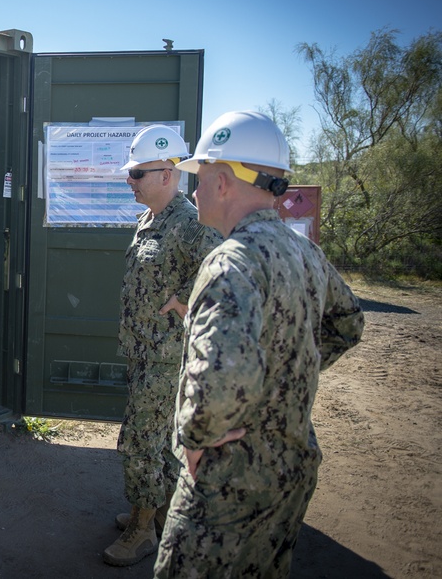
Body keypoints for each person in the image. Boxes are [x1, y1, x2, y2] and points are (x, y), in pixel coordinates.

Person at [154, 111, 365, 577]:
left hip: (227, 482)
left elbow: (215, 384)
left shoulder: (231, 263)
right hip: (289, 470)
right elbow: (348, 324)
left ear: (225, 182)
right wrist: (282, 380)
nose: (194, 191)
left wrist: (196, 438)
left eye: (202, 178)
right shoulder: (303, 251)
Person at [103, 125, 223, 566]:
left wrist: (184, 298)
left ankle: (142, 532)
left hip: (165, 357)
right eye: (130, 173)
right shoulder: (150, 219)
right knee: (155, 441)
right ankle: (153, 514)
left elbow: (222, 268)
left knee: (138, 443)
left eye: (137, 174)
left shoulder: (190, 224)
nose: (129, 181)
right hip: (142, 350)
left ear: (169, 173)